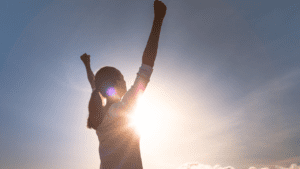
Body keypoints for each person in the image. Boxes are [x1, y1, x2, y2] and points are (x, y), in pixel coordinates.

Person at [81, 0, 166, 168]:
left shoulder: (100, 117)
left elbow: (94, 84)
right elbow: (146, 66)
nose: (127, 82)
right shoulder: (124, 108)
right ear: (117, 83)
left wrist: (88, 65)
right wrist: (158, 19)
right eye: (123, 79)